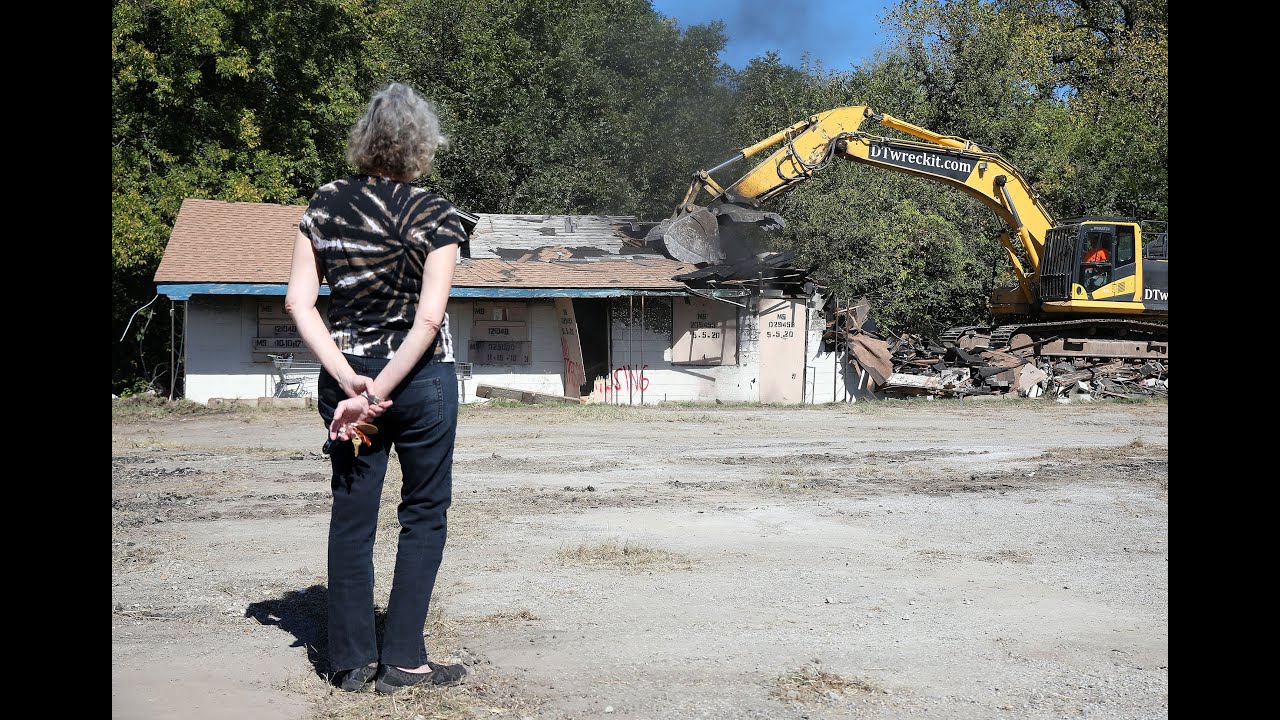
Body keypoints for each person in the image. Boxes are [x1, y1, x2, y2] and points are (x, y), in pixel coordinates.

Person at [285, 82, 469, 695]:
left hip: (348, 382)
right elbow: (428, 319)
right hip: (419, 384)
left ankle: (351, 662)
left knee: (352, 515)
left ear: (364, 139)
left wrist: (351, 383)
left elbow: (298, 303)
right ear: (423, 144)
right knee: (423, 513)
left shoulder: (324, 204)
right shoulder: (436, 214)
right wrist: (379, 389)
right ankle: (404, 661)